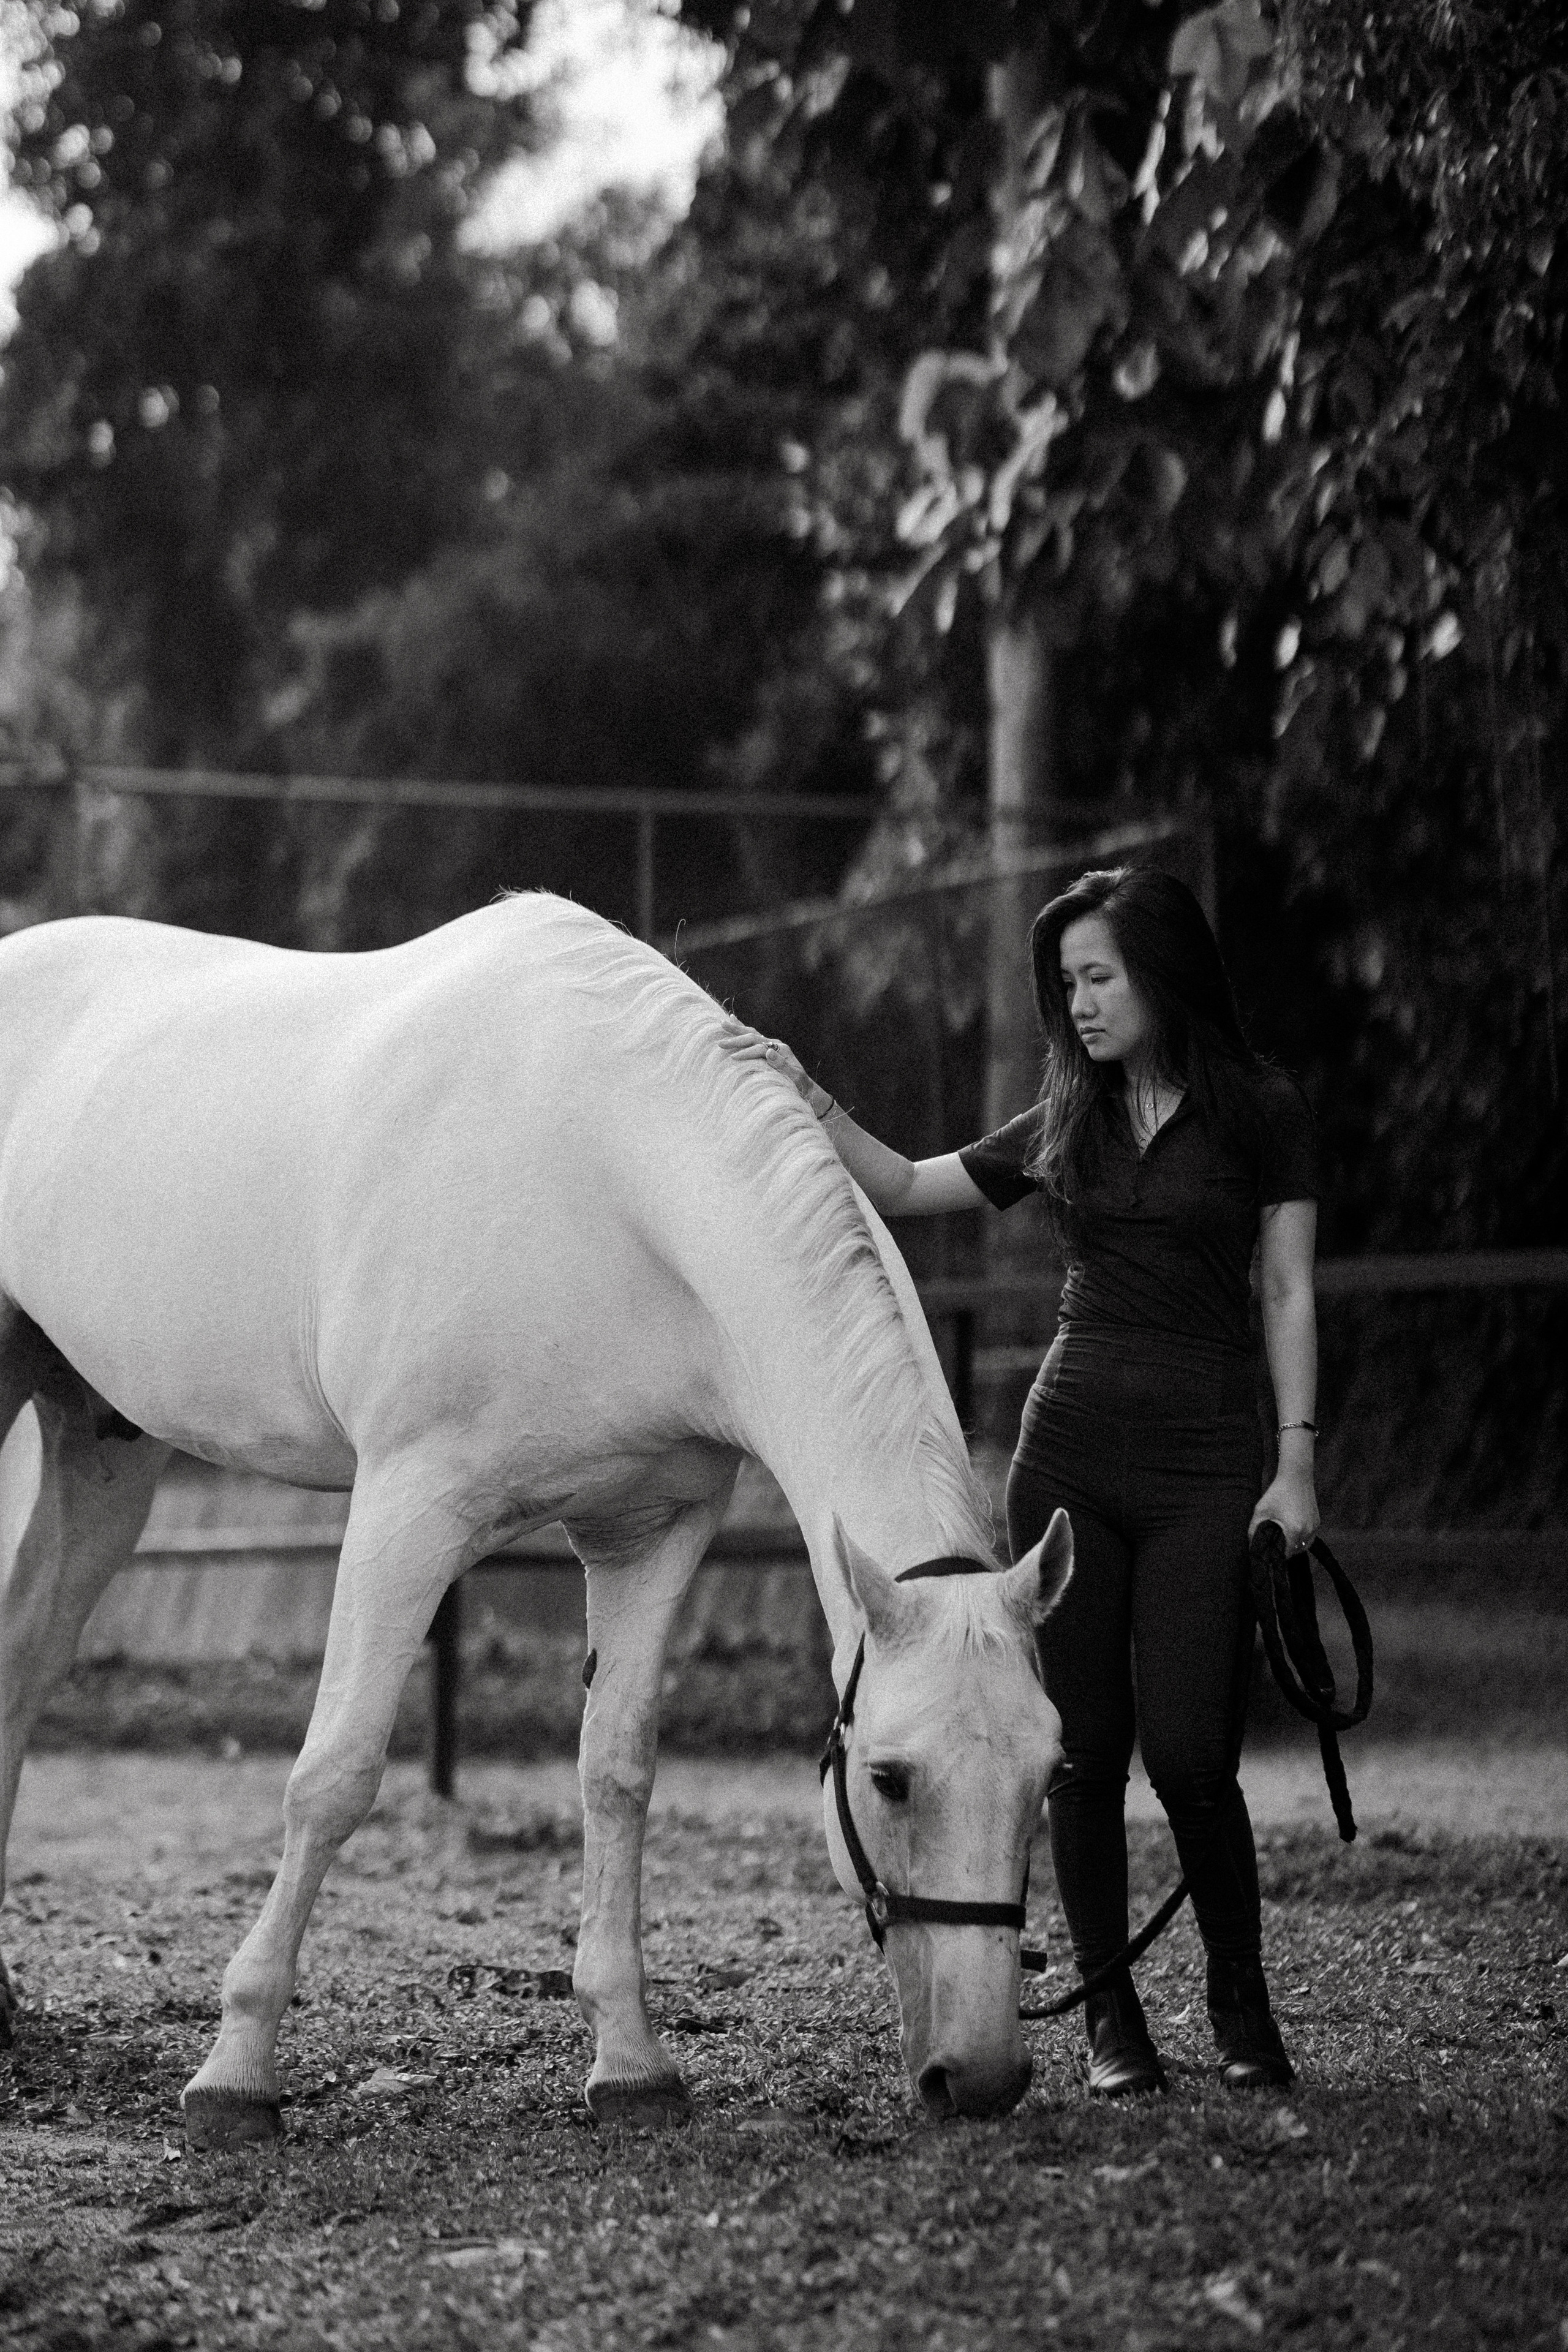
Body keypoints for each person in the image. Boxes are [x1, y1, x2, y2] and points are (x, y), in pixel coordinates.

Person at [761, 864, 1319, 2096]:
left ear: (1161, 973)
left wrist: (1293, 1465)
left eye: (1099, 976)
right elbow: (907, 1186)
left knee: (1187, 1755)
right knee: (1081, 1756)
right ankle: (1111, 2025)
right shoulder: (1061, 1119)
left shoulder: (1259, 1113)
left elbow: (1283, 1291)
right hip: (1064, 1459)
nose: (1078, 1004)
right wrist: (814, 1102)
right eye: (1065, 984)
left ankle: (1239, 2004)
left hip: (1200, 1463)